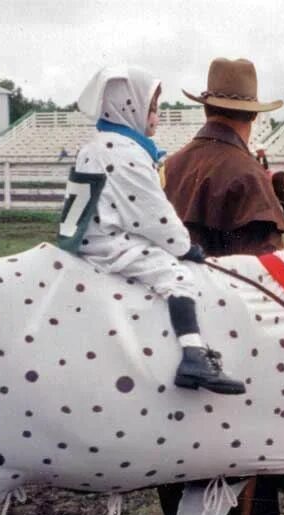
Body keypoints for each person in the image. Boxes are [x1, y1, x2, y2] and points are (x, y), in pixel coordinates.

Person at [160, 57, 284, 515]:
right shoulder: (244, 174)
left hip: (168, 319)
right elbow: (269, 269)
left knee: (185, 448)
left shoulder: (175, 161)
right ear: (250, 116)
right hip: (228, 324)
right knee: (232, 446)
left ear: (209, 106)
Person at [66, 64, 245, 395]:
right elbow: (152, 214)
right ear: (129, 108)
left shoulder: (97, 145)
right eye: (152, 109)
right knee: (178, 277)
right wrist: (183, 247)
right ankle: (193, 355)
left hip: (90, 234)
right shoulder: (125, 153)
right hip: (109, 242)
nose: (156, 116)